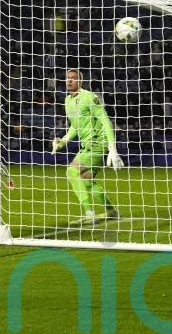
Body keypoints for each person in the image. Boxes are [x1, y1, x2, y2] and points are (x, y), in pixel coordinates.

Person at [51, 69, 120, 224]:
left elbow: (105, 120)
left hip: (97, 144)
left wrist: (112, 148)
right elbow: (75, 126)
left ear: (80, 82)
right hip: (87, 146)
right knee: (86, 180)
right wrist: (62, 142)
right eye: (67, 78)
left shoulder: (90, 97)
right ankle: (111, 211)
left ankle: (90, 214)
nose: (69, 80)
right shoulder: (67, 101)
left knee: (72, 171)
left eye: (73, 78)